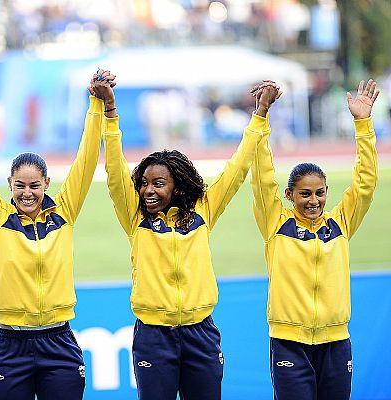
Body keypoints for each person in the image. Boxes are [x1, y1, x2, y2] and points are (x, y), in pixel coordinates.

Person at [100, 75, 279, 399]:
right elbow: (114, 173)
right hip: (153, 337)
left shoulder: (203, 210)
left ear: (178, 186)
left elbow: (237, 169)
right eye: (143, 182)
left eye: (158, 183)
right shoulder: (135, 216)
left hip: (201, 333)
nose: (147, 190)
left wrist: (260, 115)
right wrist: (110, 114)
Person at [0, 69, 114, 400]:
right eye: (20, 186)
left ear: (46, 185)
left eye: (35, 186)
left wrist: (96, 104)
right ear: (9, 185)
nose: (27, 193)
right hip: (11, 346)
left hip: (59, 343)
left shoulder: (63, 213)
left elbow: (84, 161)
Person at [250, 79, 379, 400]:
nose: (313, 200)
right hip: (288, 342)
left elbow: (365, 182)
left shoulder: (341, 223)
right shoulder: (275, 223)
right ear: (289, 194)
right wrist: (262, 115)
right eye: (304, 194)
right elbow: (262, 176)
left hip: (336, 343)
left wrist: (363, 124)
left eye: (320, 193)